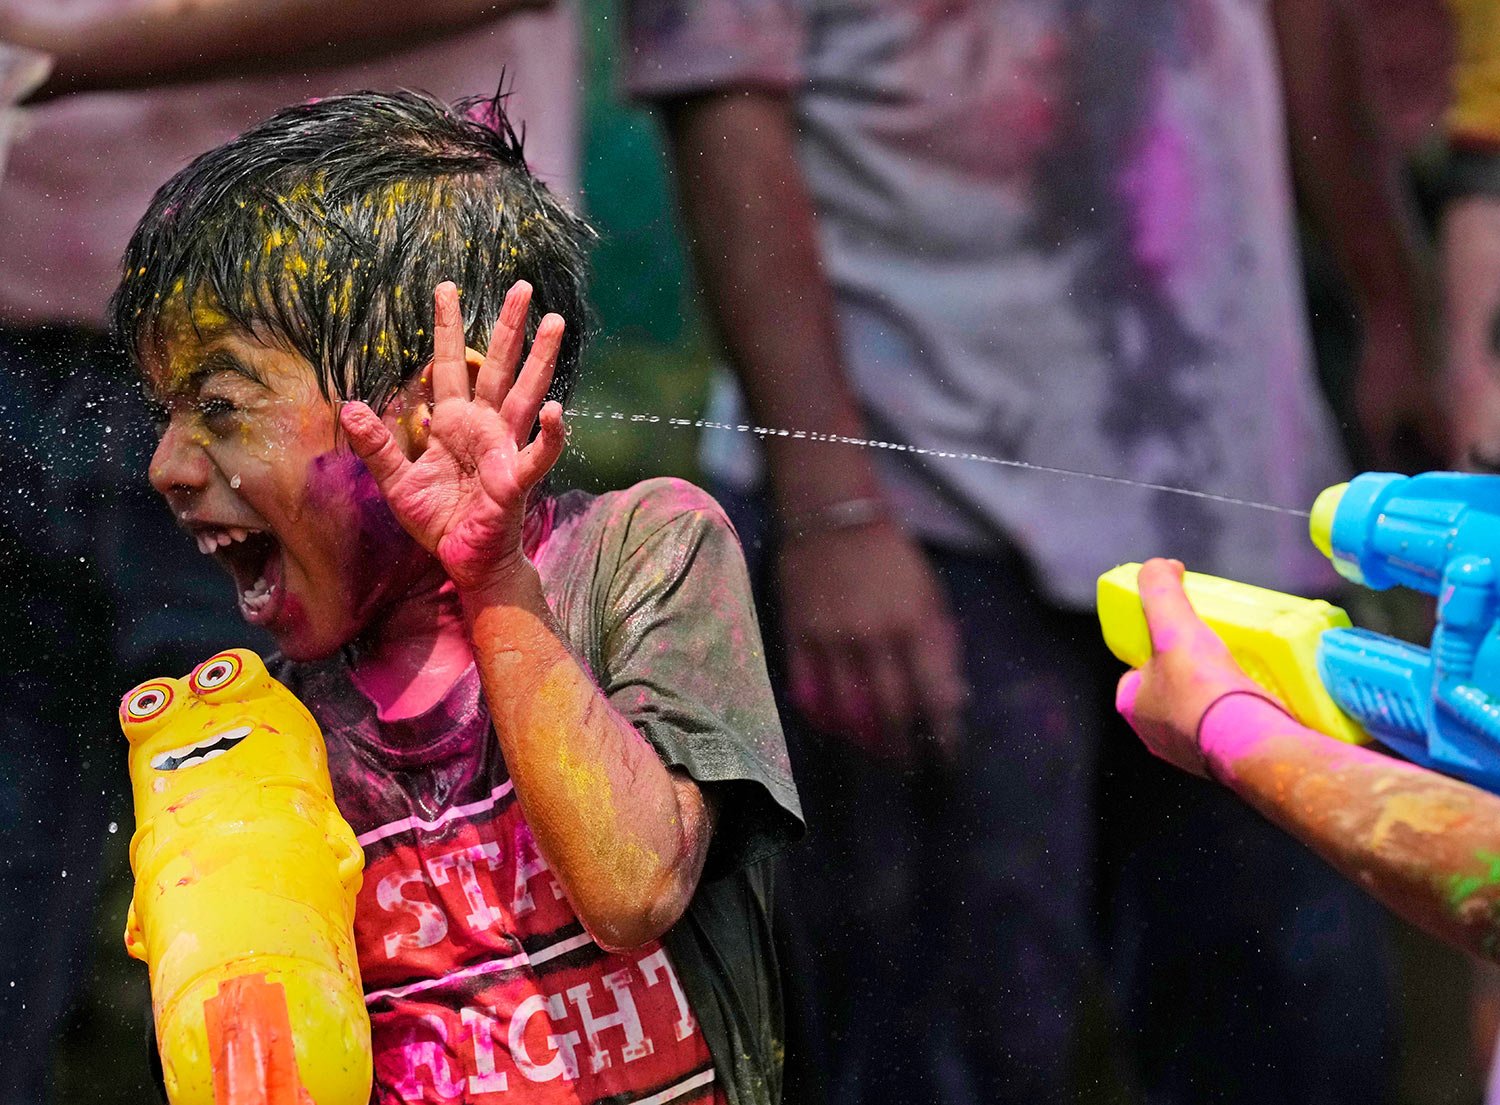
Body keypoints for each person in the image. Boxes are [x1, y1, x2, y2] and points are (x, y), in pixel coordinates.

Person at [622, 0, 1438, 1100]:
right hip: (927, 510)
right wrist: (834, 516)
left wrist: (1393, 302)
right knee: (948, 1053)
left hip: (1235, 492)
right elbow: (721, 93)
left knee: (1295, 1031)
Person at [114, 89, 801, 1104]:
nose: (168, 464)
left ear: (435, 403)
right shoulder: (275, 739)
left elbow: (633, 888)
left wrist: (491, 579)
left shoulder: (641, 554)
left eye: (219, 405)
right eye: (168, 414)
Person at [0, 6, 578, 1102]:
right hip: (25, 336)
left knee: (365, 935)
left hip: (335, 376)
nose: (177, 468)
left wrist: (45, 59)